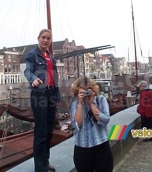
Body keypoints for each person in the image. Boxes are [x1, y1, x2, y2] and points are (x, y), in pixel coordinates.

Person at [24, 29, 61, 172]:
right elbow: (27, 71)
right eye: (43, 37)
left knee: (49, 130)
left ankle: (45, 161)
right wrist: (33, 79)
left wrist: (57, 96)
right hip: (39, 94)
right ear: (38, 38)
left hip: (51, 94)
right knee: (41, 131)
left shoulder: (51, 58)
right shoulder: (32, 55)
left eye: (48, 38)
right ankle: (39, 166)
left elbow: (55, 77)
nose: (46, 40)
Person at [70, 76, 113, 172]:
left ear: (93, 89)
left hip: (101, 144)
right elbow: (76, 125)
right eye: (83, 90)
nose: (86, 93)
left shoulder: (100, 100)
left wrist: (91, 103)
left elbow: (105, 121)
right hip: (82, 147)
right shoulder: (75, 104)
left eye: (88, 90)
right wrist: (80, 104)